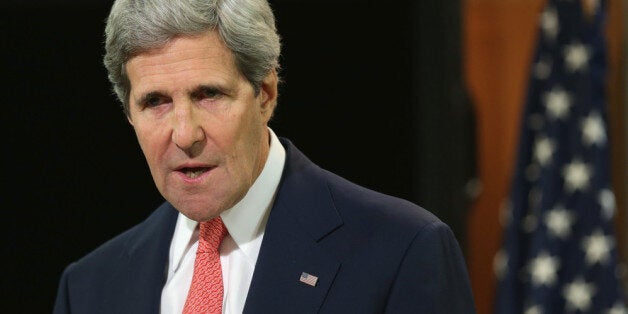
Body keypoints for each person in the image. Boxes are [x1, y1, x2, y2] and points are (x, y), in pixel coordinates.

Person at [53, 0, 476, 313]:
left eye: (209, 94)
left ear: (265, 95)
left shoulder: (401, 251)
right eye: (155, 102)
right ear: (129, 113)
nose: (184, 134)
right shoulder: (90, 287)